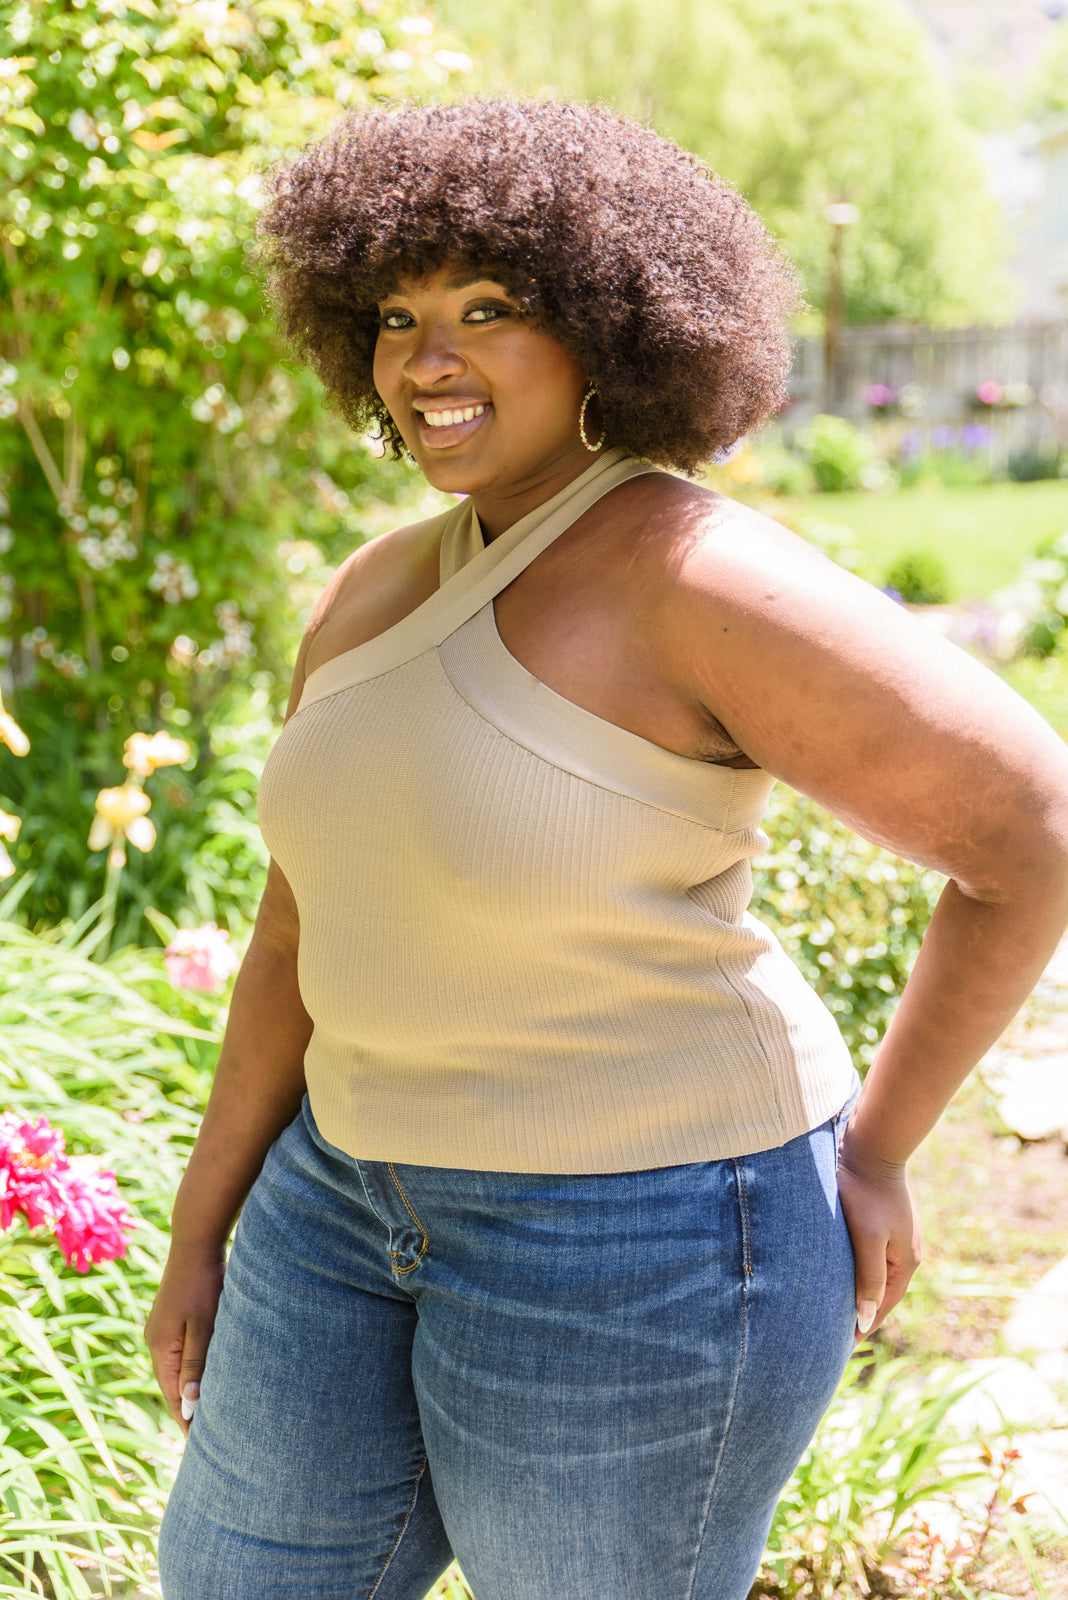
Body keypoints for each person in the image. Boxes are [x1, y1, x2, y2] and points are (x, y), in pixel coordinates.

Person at [148, 99, 1068, 1600]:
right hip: (342, 1205)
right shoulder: (377, 584)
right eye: (396, 317)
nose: (426, 360)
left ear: (607, 327)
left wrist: (883, 1147)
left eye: (487, 310)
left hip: (642, 1237)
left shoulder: (697, 578)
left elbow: (1032, 832)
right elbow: (297, 929)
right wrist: (205, 1227)